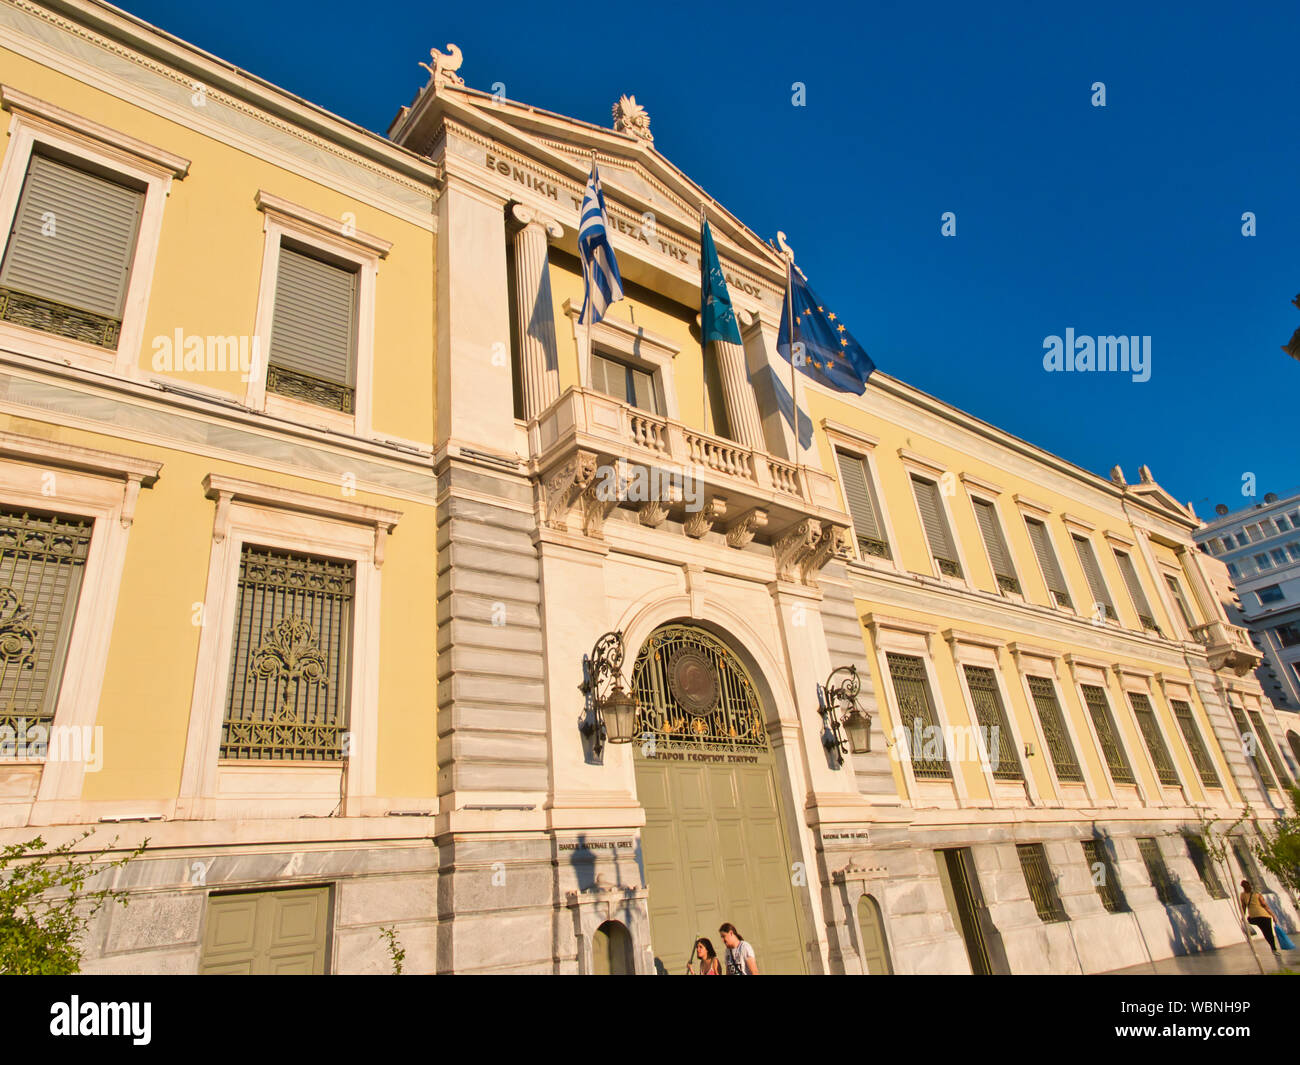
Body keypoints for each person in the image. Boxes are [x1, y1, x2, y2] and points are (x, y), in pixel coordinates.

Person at [1240, 879, 1281, 956]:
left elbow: (1243, 906)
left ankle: (1273, 948)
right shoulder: (1257, 894)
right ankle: (1274, 949)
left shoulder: (1242, 895)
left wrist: (1243, 916)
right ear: (1250, 886)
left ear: (1243, 887)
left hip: (1254, 917)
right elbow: (1265, 905)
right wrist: (1273, 915)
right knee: (1269, 933)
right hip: (1265, 916)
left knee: (1265, 932)